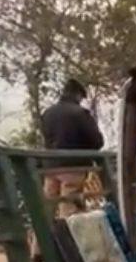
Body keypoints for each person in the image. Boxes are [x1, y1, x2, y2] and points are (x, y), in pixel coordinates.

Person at [40, 78, 104, 218]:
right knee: (69, 207)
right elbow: (97, 142)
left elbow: (46, 138)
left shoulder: (48, 113)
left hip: (50, 166)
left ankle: (40, 239)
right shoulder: (80, 113)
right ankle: (67, 238)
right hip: (74, 166)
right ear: (78, 95)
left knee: (47, 207)